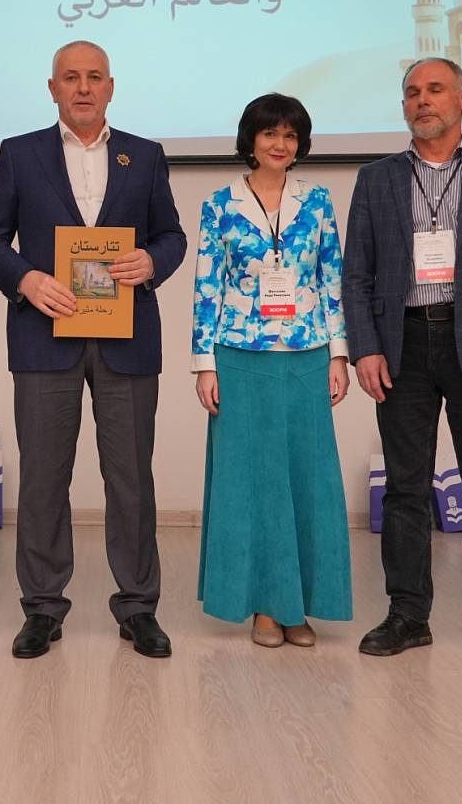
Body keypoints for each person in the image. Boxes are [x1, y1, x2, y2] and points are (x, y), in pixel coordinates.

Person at [0, 39, 187, 659]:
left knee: (131, 480)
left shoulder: (144, 155)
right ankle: (42, 608)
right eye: (71, 77)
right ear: (53, 88)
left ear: (111, 87)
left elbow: (172, 235)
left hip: (127, 340)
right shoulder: (20, 154)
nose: (84, 87)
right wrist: (25, 279)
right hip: (45, 340)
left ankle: (138, 607)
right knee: (43, 479)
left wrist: (152, 261)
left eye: (95, 77)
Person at [342, 57, 462, 669]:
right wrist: (365, 346)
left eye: (434, 90)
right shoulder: (375, 179)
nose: (422, 100)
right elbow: (356, 274)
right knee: (405, 488)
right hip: (400, 342)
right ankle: (408, 615)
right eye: (412, 92)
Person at [191, 93, 351, 648]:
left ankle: (298, 606)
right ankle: (263, 604)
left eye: (290, 135)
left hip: (307, 355)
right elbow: (206, 286)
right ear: (251, 140)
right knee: (251, 484)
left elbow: (332, 279)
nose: (280, 144)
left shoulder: (318, 201)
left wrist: (339, 353)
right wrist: (204, 365)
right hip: (240, 358)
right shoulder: (220, 204)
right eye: (269, 134)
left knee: (307, 481)